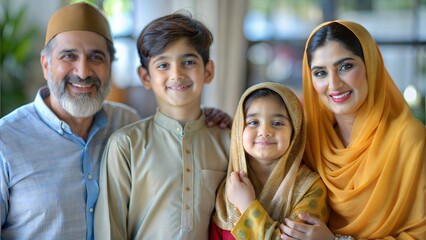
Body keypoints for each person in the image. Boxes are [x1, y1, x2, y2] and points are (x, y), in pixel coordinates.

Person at [0, 3, 230, 240]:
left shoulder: (125, 121)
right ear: (46, 64)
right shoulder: (5, 141)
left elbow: (176, 130)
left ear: (111, 67)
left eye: (96, 57)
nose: (83, 71)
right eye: (68, 56)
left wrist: (210, 117)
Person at [280, 20, 426, 240]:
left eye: (345, 66)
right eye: (320, 73)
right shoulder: (309, 138)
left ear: (372, 65)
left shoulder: (410, 139)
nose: (334, 84)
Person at [93, 12, 230, 239]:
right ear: (145, 77)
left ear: (208, 71)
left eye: (188, 62)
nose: (176, 74)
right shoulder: (126, 145)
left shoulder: (229, 141)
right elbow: (110, 230)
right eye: (163, 65)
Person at [210, 82, 329, 240]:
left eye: (278, 123)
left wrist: (246, 206)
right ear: (239, 129)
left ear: (294, 132)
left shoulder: (310, 188)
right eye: (253, 122)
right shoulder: (229, 185)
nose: (265, 131)